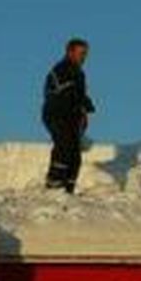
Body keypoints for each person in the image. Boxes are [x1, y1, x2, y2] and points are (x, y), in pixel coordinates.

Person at [42, 38, 95, 193]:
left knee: (75, 155)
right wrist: (83, 102)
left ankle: (68, 188)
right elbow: (66, 92)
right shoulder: (61, 69)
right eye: (80, 53)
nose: (83, 57)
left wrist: (84, 109)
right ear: (70, 52)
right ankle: (54, 185)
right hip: (57, 114)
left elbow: (78, 94)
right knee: (64, 147)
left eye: (85, 54)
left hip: (72, 117)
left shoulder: (79, 73)